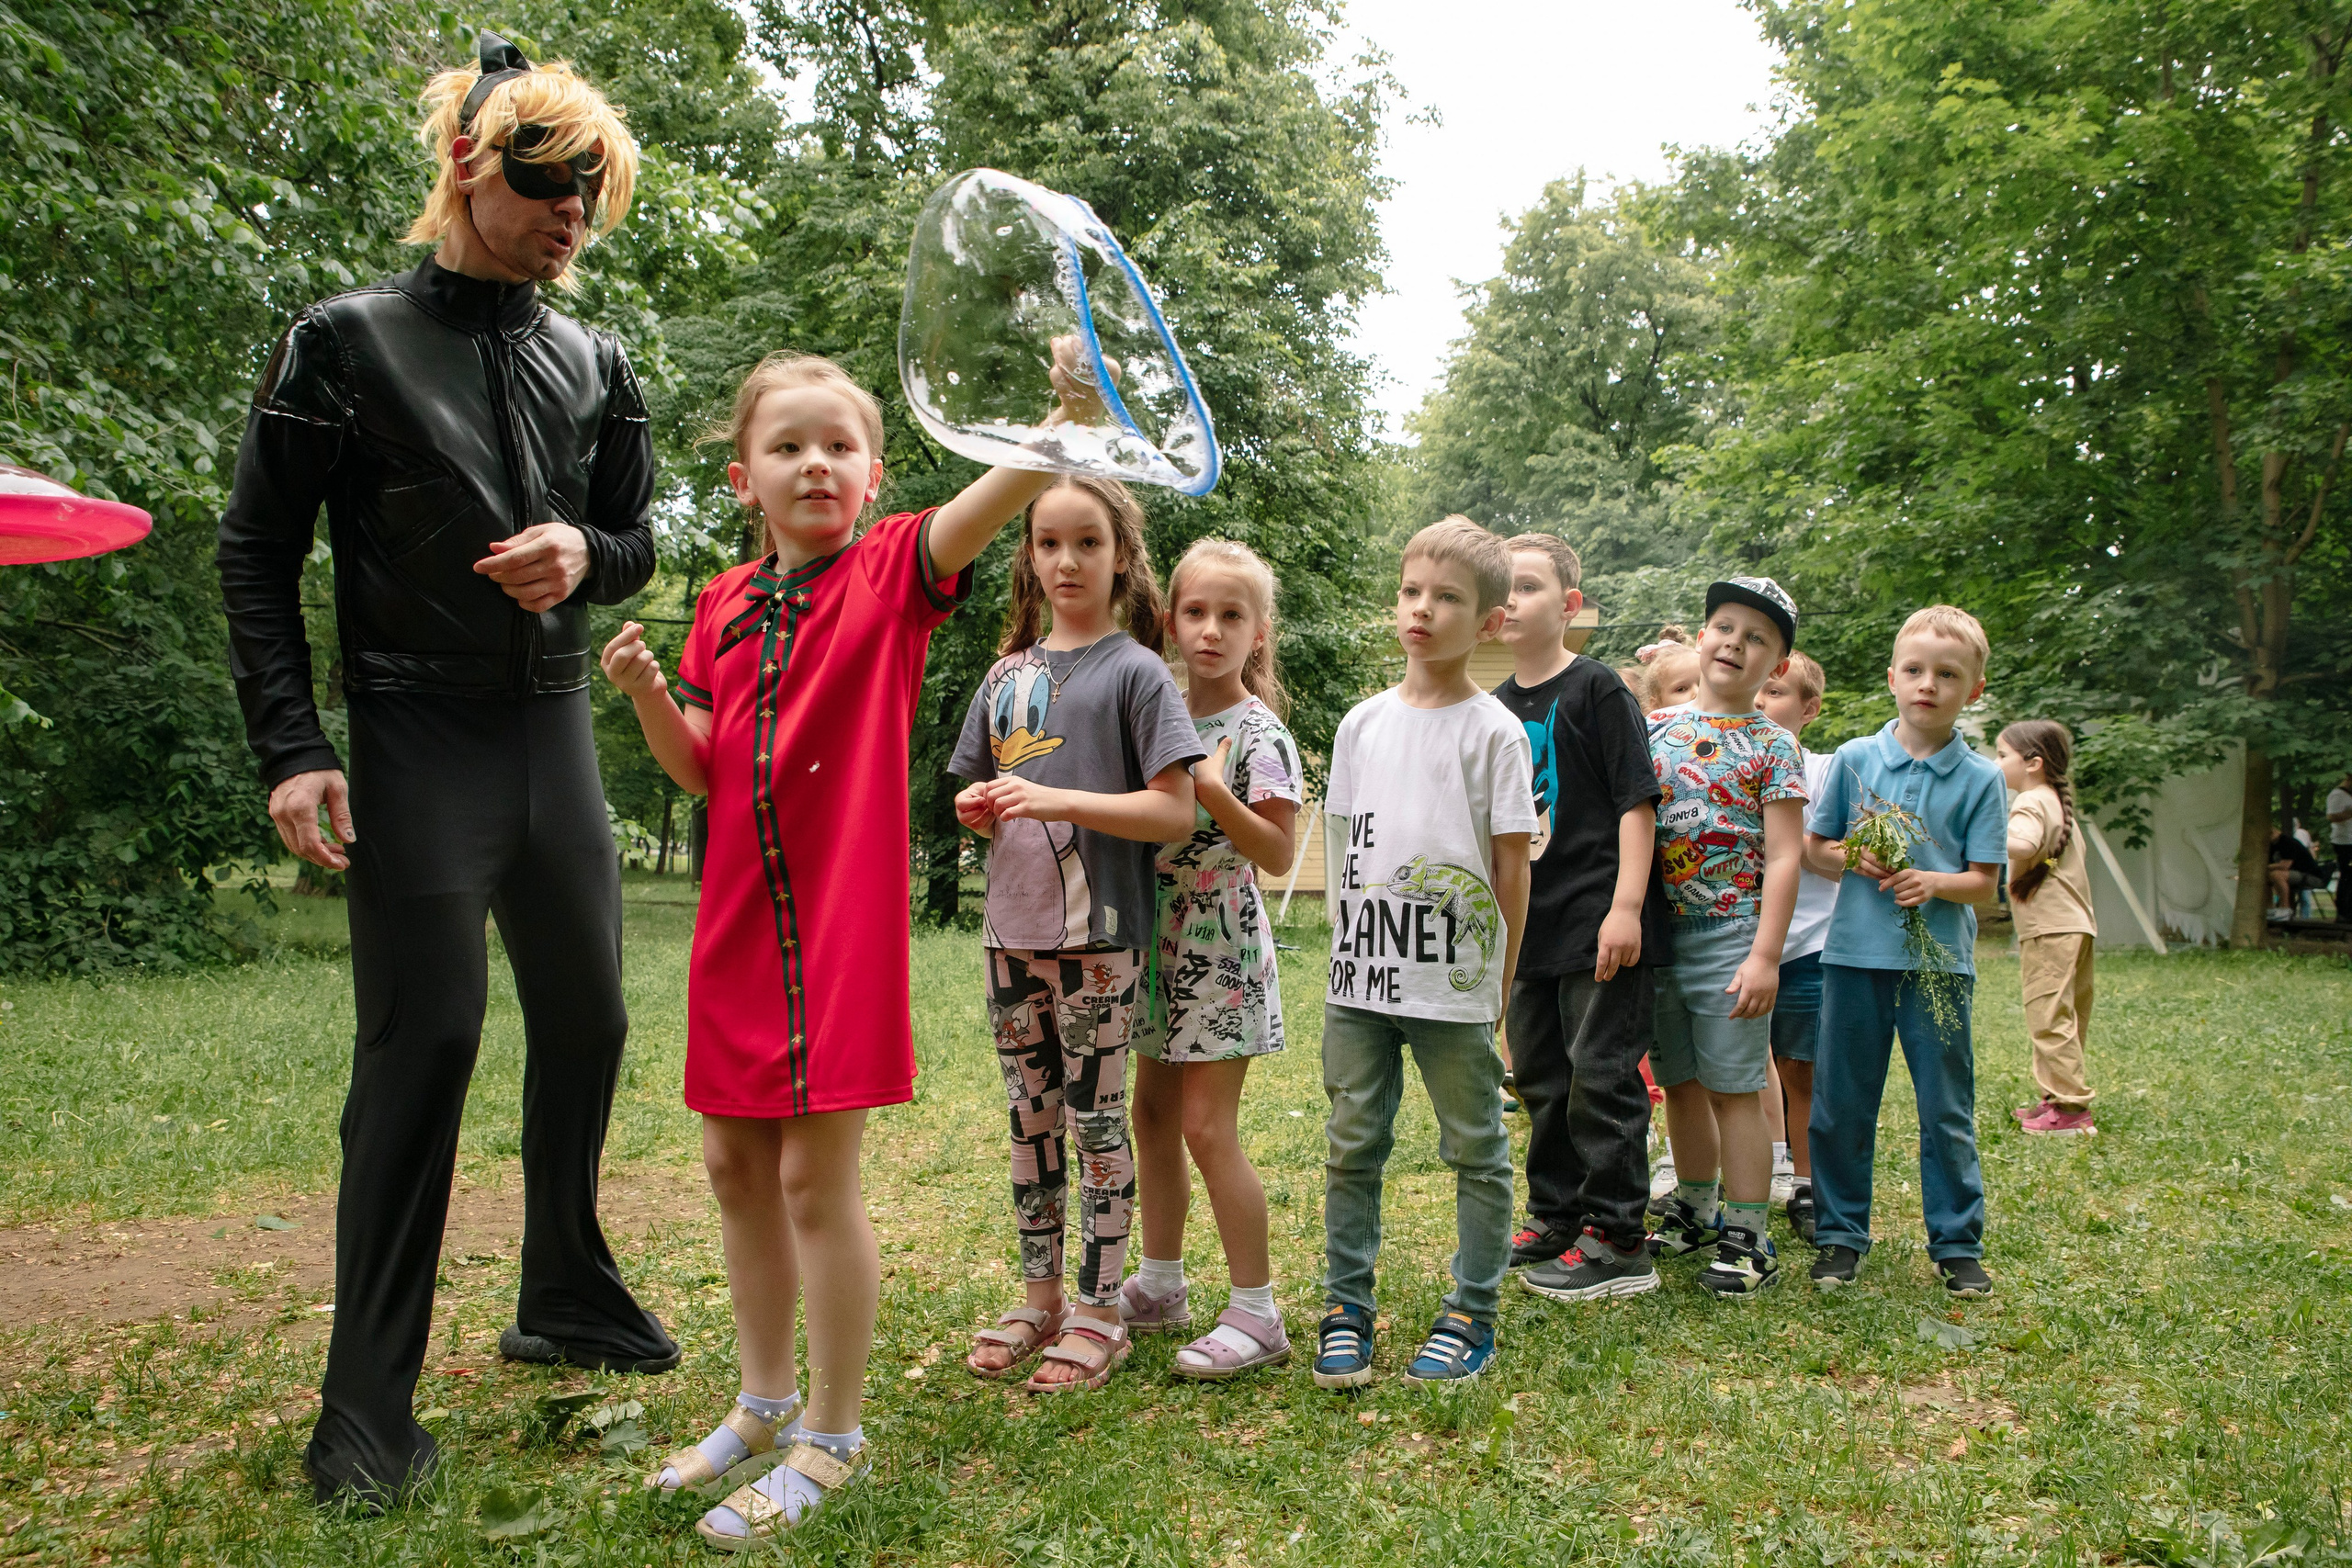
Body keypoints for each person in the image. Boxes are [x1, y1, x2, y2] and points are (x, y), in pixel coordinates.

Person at [216, 32, 675, 1504]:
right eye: (553, 191)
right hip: (415, 739)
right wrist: (293, 745)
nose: (572, 225)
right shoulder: (341, 341)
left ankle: (565, 1288)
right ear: (471, 170)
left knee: (592, 1018)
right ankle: (366, 1401)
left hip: (552, 737)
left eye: (590, 201)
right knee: (427, 1046)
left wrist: (584, 554)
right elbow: (254, 550)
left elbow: (637, 539)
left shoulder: (595, 357)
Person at [602, 349, 1102, 1544]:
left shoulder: (890, 573)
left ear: (874, 478)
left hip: (837, 930)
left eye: (839, 445)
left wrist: (1065, 417)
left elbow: (1000, 493)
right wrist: (642, 695)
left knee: (811, 1181)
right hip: (735, 925)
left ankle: (832, 1429)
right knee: (734, 1171)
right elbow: (706, 767)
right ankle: (763, 1402)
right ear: (744, 478)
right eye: (789, 446)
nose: (815, 462)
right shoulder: (720, 603)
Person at [951, 478, 1204, 1393]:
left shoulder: (1137, 674)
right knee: (1031, 1121)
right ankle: (1040, 1297)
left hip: (1100, 943)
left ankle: (1101, 1312)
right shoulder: (1004, 674)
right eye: (1048, 543)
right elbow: (977, 794)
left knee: (1098, 1124)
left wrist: (1058, 799)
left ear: (1121, 559)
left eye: (1087, 543)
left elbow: (1171, 811)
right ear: (1028, 554)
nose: (1066, 561)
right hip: (1008, 937)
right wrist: (975, 807)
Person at [1313, 517, 1534, 1389]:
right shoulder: (1361, 724)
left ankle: (1472, 1309)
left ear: (1486, 621)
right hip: (1360, 979)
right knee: (1351, 1141)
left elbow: (1512, 870)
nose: (1423, 609)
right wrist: (1341, 946)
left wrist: (1501, 986)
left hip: (1454, 985)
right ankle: (1346, 1306)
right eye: (1412, 591)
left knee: (1475, 1147)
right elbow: (1341, 844)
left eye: (1448, 598)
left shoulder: (1495, 733)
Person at [1120, 539, 1302, 1379]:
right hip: (1152, 946)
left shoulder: (1259, 734)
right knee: (1150, 1116)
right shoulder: (1153, 710)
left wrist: (1213, 787)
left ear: (1258, 633)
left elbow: (1273, 852)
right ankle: (1161, 1284)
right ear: (1169, 620)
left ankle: (1257, 1312)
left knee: (1205, 1127)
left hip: (1218, 946)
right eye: (1196, 611)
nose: (1211, 629)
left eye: (1232, 616)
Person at [1487, 534, 1669, 1305]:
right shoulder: (1492, 709)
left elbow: (1637, 801)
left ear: (1568, 606)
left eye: (1529, 586)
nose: (1514, 601)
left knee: (1601, 1076)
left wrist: (1626, 908)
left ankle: (1621, 1234)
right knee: (1541, 1080)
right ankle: (1558, 1215)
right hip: (1531, 925)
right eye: (1504, 589)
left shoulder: (1598, 689)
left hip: (1601, 920)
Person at [1804, 606, 2007, 1296]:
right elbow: (1815, 847)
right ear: (1892, 678)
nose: (1929, 684)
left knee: (1945, 1107)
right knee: (1841, 1103)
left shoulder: (1982, 779)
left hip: (1939, 967)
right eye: (1915, 670)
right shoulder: (1856, 759)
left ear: (1972, 690)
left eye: (1948, 675)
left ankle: (1957, 1243)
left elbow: (1983, 883)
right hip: (1853, 959)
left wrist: (1935, 882)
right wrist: (1851, 855)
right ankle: (1838, 1235)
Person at [1641, 579, 1809, 1297]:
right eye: (1724, 626)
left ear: (1776, 667)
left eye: (1757, 637)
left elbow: (1784, 855)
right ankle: (1697, 1204)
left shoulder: (1774, 745)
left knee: (1735, 1085)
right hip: (1661, 934)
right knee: (1678, 1080)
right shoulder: (1651, 728)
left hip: (1734, 934)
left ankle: (1748, 1234)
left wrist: (1766, 954)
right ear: (1700, 638)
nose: (1735, 642)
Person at [1756, 653, 1839, 1241]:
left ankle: (1809, 1187)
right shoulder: (1721, 763)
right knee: (1736, 1076)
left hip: (1807, 947)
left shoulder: (1830, 772)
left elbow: (1835, 863)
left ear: (1808, 709)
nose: (1762, 701)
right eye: (1757, 689)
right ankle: (1744, 1183)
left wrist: (1802, 835)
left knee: (1802, 1073)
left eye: (1778, 692)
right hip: (1734, 944)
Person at [1996, 721, 2098, 1136]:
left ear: (2033, 763)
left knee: (2047, 1015)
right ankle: (2056, 1098)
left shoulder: (2031, 802)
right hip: (2074, 924)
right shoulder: (2054, 799)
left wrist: (1979, 834)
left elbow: (2021, 845)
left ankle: (2072, 1111)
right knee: (2066, 1014)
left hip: (2050, 928)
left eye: (2003, 755)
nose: (1996, 763)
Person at [2269, 818, 2328, 918]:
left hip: (2310, 875)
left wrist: (2267, 867)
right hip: (2295, 874)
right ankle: (2270, 909)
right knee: (2267, 876)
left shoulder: (2286, 842)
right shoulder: (2271, 846)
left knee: (2276, 875)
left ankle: (2285, 910)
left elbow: (2285, 865)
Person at [2327, 771, 2352, 912]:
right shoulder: (2338, 795)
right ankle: (2344, 909)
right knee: (2348, 874)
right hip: (2345, 843)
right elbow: (2331, 816)